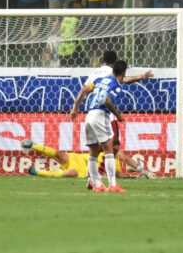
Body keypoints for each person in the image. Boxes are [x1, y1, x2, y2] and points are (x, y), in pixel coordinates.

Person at [70, 51, 155, 182]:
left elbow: (84, 90)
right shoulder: (112, 74)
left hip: (91, 111)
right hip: (105, 114)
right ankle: (105, 178)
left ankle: (93, 178)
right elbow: (124, 80)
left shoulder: (95, 74)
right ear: (115, 63)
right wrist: (141, 76)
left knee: (97, 148)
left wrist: (75, 108)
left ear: (103, 60)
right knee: (112, 147)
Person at [79, 60, 129, 193]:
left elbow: (84, 89)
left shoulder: (100, 79)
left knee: (93, 153)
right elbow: (107, 101)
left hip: (89, 115)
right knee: (109, 150)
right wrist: (118, 115)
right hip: (101, 115)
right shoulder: (117, 85)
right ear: (124, 73)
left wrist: (75, 109)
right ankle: (113, 185)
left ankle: (97, 184)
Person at [21, 140, 126, 178]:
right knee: (60, 155)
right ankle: (32, 145)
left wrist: (127, 173)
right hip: (76, 159)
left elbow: (119, 175)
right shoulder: (95, 150)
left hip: (84, 172)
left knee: (70, 173)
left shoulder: (113, 160)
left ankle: (37, 172)